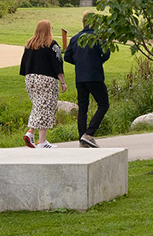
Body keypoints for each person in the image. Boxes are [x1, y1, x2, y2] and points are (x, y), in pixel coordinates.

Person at [19, 19, 65, 148]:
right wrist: (62, 81)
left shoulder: (29, 44)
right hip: (46, 80)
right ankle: (42, 141)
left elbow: (24, 63)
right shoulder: (51, 44)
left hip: (30, 78)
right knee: (46, 108)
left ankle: (31, 132)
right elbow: (57, 63)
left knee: (38, 105)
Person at [65, 24, 111, 148]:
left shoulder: (75, 38)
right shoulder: (98, 37)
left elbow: (67, 56)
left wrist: (79, 63)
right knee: (103, 104)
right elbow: (106, 54)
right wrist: (98, 61)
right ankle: (89, 133)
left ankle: (82, 138)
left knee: (83, 108)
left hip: (80, 77)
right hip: (95, 76)